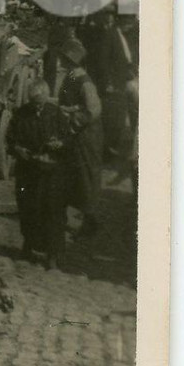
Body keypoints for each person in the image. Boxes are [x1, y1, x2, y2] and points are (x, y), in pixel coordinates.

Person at [7, 80, 70, 268]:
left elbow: (68, 140)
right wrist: (18, 149)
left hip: (51, 171)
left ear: (46, 98)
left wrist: (59, 145)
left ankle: (53, 254)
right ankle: (28, 246)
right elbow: (10, 140)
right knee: (28, 209)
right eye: (34, 103)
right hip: (28, 170)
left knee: (52, 211)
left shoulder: (56, 113)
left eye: (40, 102)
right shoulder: (21, 114)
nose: (38, 106)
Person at [58, 39, 104, 237]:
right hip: (76, 134)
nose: (60, 61)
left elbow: (94, 110)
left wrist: (73, 118)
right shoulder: (71, 77)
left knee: (87, 176)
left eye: (64, 58)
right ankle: (84, 217)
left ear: (71, 60)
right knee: (76, 176)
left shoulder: (84, 82)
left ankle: (91, 221)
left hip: (86, 135)